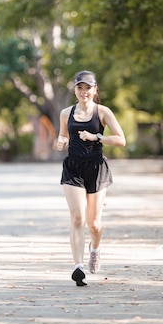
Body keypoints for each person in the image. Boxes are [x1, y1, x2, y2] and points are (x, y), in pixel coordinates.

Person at [55, 70, 126, 286]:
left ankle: (94, 249)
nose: (84, 92)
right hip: (73, 168)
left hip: (96, 169)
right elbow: (63, 135)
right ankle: (78, 266)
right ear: (75, 89)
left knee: (94, 224)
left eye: (88, 88)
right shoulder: (66, 113)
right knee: (78, 217)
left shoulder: (103, 112)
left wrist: (97, 137)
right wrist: (60, 142)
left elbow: (121, 140)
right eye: (80, 88)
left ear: (95, 90)